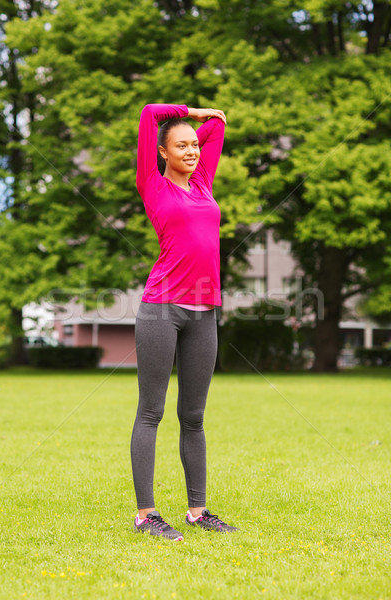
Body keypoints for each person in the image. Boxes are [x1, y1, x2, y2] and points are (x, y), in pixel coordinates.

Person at [130, 103, 239, 541]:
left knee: (193, 416)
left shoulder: (203, 184)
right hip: (161, 309)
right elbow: (147, 113)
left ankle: (198, 511)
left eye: (194, 145)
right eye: (182, 145)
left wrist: (207, 122)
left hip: (204, 312)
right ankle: (145, 514)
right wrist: (191, 110)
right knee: (151, 412)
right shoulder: (153, 187)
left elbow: (217, 128)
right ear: (162, 152)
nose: (193, 151)